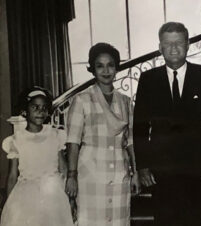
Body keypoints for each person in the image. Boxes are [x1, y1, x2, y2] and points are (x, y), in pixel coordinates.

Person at [133, 22, 201, 226]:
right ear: (160, 47)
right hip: (161, 171)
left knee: (197, 219)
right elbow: (140, 127)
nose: (174, 48)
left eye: (179, 43)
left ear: (188, 44)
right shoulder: (148, 80)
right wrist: (143, 166)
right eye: (168, 43)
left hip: (197, 169)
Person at [65, 42, 140, 226]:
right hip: (90, 173)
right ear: (92, 69)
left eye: (110, 65)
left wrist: (135, 173)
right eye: (100, 66)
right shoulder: (81, 100)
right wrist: (71, 175)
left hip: (120, 174)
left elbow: (131, 141)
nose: (106, 71)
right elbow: (72, 142)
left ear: (116, 68)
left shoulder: (125, 102)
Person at [1, 87, 74, 226]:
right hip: (25, 196)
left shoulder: (55, 135)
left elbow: (63, 168)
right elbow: (12, 176)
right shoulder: (17, 140)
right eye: (35, 107)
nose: (40, 111)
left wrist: (69, 199)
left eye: (44, 108)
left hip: (53, 194)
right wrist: (7, 204)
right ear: (24, 111)